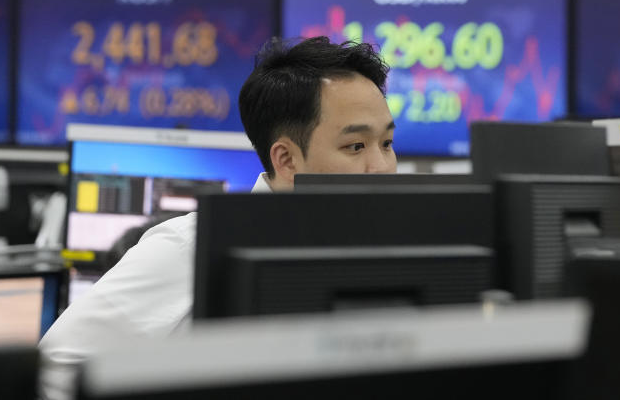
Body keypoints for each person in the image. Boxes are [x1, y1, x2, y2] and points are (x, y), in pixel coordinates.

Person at [38, 36, 397, 366]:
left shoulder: (386, 247)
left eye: (387, 144)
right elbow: (55, 367)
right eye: (355, 147)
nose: (382, 168)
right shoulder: (191, 249)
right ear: (286, 160)